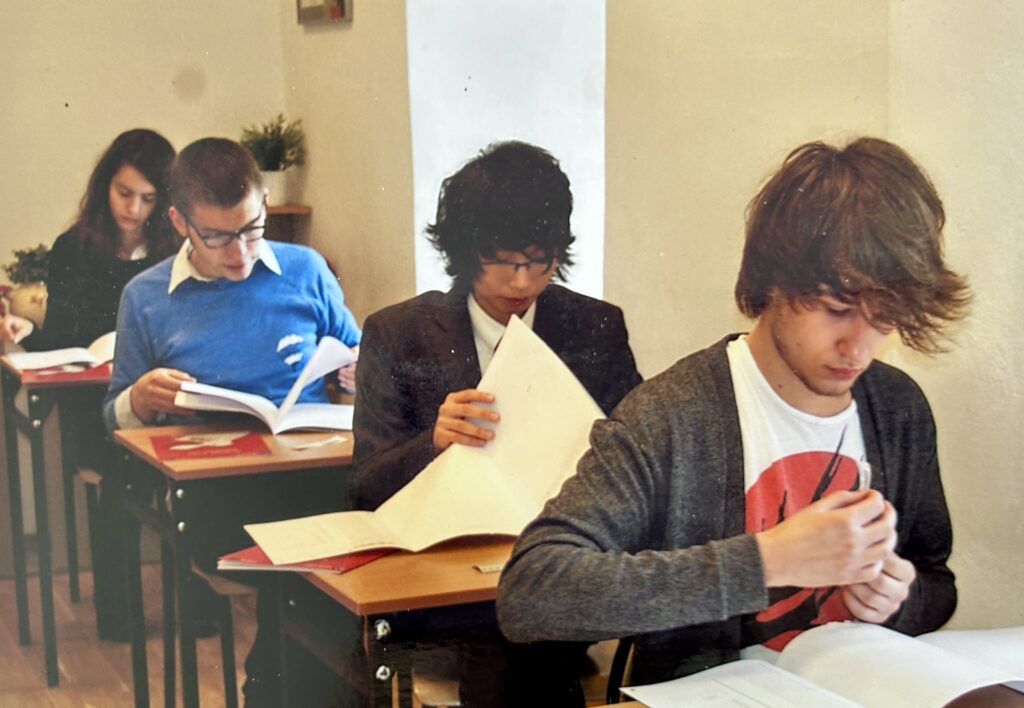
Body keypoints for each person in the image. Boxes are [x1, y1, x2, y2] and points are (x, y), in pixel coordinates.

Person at [497, 137, 970, 687]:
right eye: (837, 310)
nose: (860, 348)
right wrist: (767, 561)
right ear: (773, 283)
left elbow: (935, 581)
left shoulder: (898, 408)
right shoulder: (673, 415)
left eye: (885, 318)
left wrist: (898, 600)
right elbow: (532, 592)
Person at [350, 140, 643, 707]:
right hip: (444, 579)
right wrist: (434, 442)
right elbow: (364, 487)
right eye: (504, 262)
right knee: (512, 646)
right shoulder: (398, 334)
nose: (521, 283)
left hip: (558, 563)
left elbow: (640, 454)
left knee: (527, 637)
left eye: (540, 261)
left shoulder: (594, 327)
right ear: (465, 251)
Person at [100, 137, 362, 703]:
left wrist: (358, 371)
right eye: (217, 237)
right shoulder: (146, 297)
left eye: (251, 229)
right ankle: (277, 687)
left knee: (326, 558)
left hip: (312, 473)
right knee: (309, 571)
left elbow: (355, 353)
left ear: (265, 203)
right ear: (179, 223)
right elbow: (115, 417)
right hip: (217, 493)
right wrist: (140, 398)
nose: (240, 253)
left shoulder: (306, 270)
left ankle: (273, 688)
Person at [0, 128, 178, 641]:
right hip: (94, 403)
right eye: (124, 193)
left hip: (159, 397)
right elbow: (62, 338)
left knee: (179, 468)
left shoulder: (173, 250)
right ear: (105, 186)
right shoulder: (74, 248)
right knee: (121, 471)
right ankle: (119, 615)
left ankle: (192, 609)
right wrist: (25, 330)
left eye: (148, 198)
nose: (134, 209)